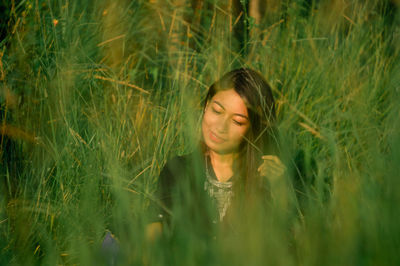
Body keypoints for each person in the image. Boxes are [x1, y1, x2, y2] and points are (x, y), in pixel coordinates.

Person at [148, 68, 287, 238]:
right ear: (206, 106)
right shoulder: (179, 169)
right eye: (217, 111)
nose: (220, 127)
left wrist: (280, 188)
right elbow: (155, 229)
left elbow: (288, 240)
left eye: (237, 121)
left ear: (254, 129)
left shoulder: (265, 177)